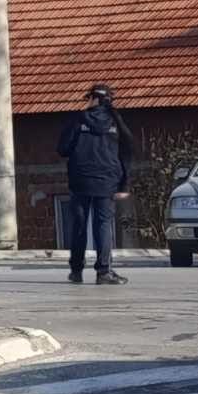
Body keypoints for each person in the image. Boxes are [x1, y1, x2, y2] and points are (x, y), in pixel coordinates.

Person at [58, 83, 135, 286]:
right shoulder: (116, 122)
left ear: (94, 99)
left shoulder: (78, 120)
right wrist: (124, 184)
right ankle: (103, 272)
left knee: (79, 226)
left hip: (80, 181)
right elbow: (127, 152)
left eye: (88, 98)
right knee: (103, 225)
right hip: (106, 182)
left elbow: (63, 148)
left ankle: (76, 271)